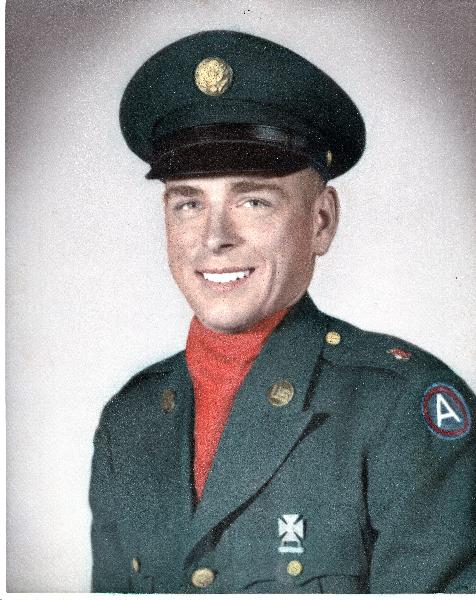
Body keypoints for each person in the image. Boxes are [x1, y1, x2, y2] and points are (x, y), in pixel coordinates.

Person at [89, 30, 475, 593]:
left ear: (321, 222)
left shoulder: (400, 411)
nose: (214, 238)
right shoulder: (129, 421)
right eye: (189, 203)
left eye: (253, 200)